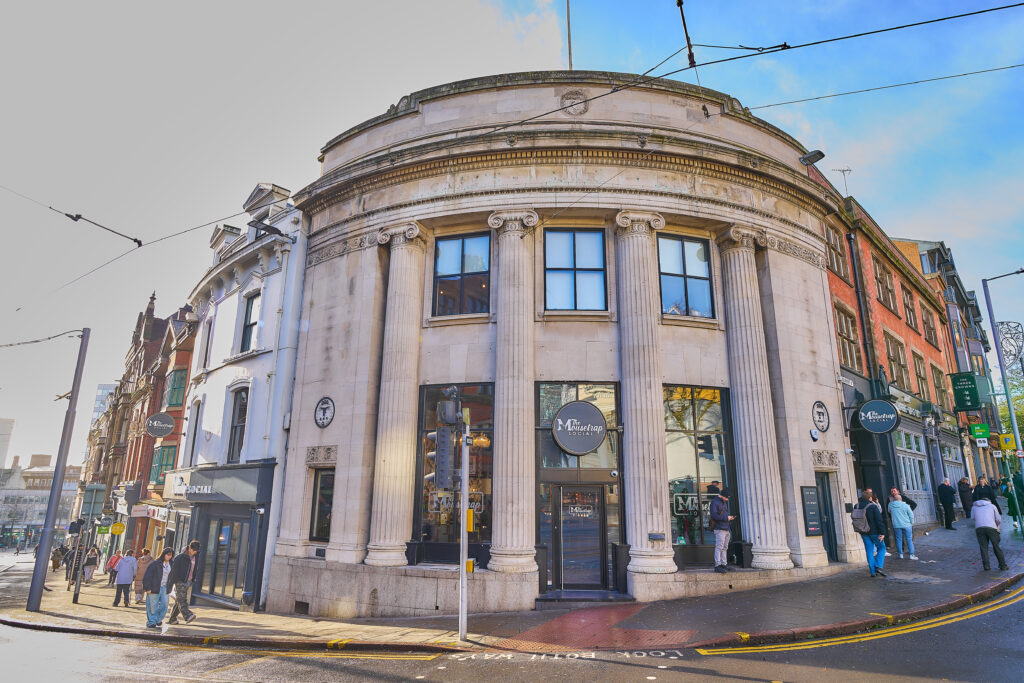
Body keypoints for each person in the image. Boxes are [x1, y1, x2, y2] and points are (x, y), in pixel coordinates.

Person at [165, 540, 201, 625]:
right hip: (180, 581)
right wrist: (169, 585)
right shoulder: (180, 557)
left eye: (196, 551)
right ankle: (188, 615)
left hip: (189, 581)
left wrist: (193, 579)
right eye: (193, 550)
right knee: (182, 600)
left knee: (179, 600)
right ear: (189, 547)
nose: (194, 552)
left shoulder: (196, 556)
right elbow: (173, 572)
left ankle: (172, 619)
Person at [854, 488, 887, 577]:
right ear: (870, 498)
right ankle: (878, 566)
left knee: (869, 551)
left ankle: (873, 572)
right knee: (882, 548)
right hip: (874, 532)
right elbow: (879, 520)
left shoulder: (856, 506)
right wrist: (883, 532)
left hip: (863, 532)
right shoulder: (873, 506)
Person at [971, 496, 1008, 572]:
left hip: (979, 528)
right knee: (996, 546)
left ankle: (986, 566)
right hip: (991, 527)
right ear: (989, 501)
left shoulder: (974, 507)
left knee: (983, 547)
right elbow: (998, 519)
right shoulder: (992, 506)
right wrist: (996, 525)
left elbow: (973, 517)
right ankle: (1003, 565)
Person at [143, 548, 174, 629]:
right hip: (154, 586)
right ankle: (151, 622)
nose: (169, 557)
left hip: (165, 587)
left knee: (164, 604)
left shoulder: (171, 564)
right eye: (168, 555)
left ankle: (158, 619)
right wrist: (147, 588)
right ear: (163, 554)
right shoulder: (155, 564)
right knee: (152, 606)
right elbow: (148, 576)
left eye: (171, 555)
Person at [708, 488, 735, 573]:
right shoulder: (714, 502)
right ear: (723, 496)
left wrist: (728, 518)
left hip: (726, 528)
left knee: (725, 547)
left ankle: (724, 564)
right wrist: (726, 518)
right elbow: (714, 516)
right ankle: (717, 565)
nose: (727, 499)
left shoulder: (723, 502)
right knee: (719, 547)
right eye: (727, 497)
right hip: (719, 528)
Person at [888, 490, 918, 560]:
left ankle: (900, 554)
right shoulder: (905, 505)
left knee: (899, 540)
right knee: (909, 540)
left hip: (896, 525)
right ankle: (911, 555)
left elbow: (889, 511)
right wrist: (911, 522)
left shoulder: (890, 505)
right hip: (907, 524)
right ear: (901, 499)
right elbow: (911, 515)